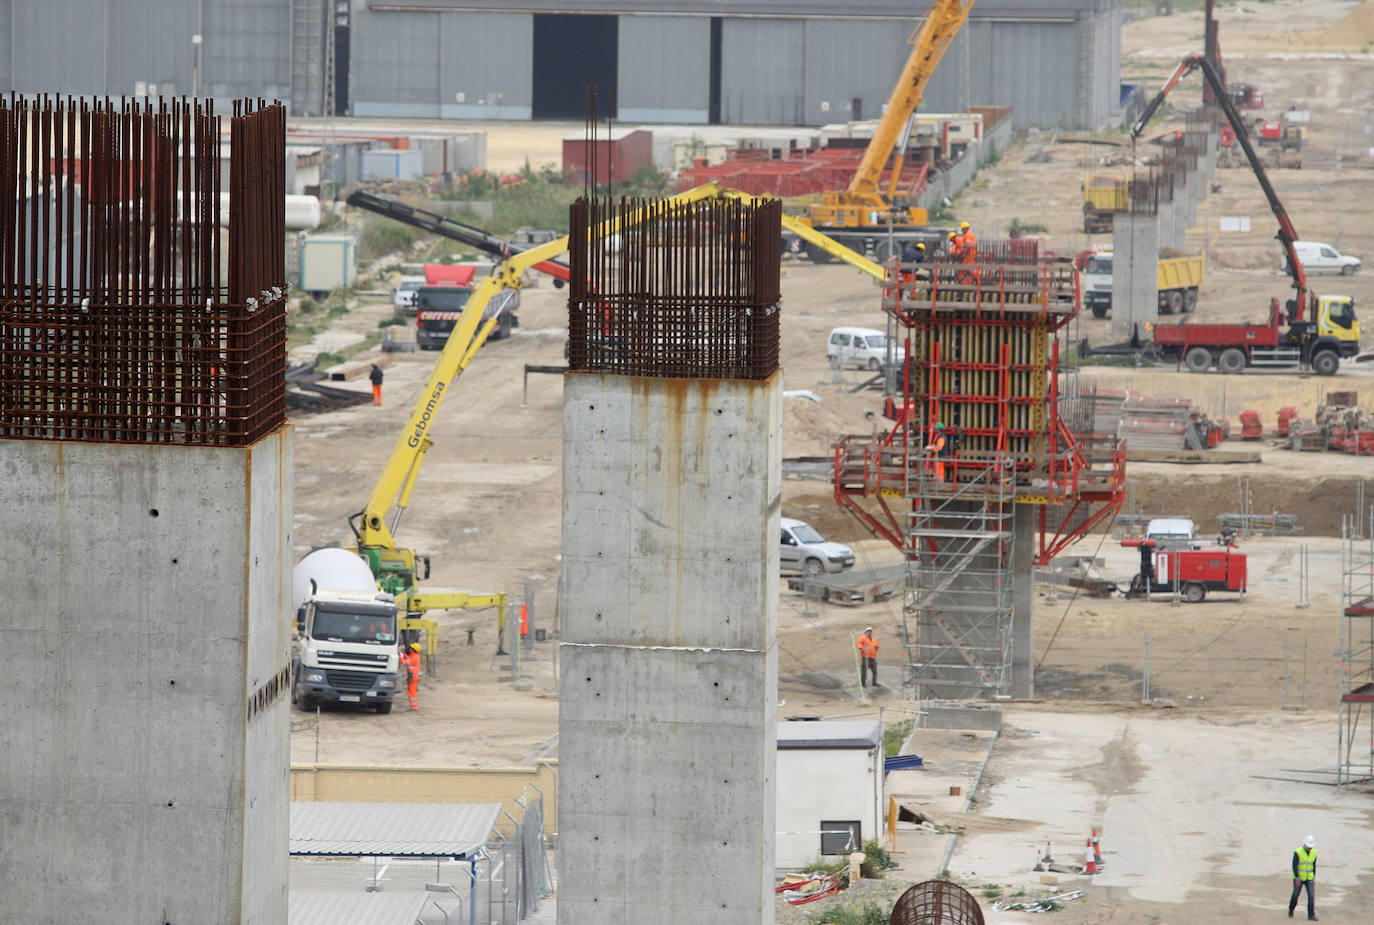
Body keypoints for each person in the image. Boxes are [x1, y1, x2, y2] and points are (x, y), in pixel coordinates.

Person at [1288, 835, 1318, 920]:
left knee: (1311, 896)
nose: (1310, 848)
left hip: (1309, 877)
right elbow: (1294, 865)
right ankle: (1291, 909)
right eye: (1308, 847)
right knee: (1295, 895)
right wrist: (1297, 877)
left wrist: (1313, 877)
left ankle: (1311, 915)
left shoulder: (1314, 853)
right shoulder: (1298, 852)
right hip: (1299, 878)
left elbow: (1313, 865)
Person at [402, 641, 421, 710]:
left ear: (414, 650)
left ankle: (413, 706)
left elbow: (405, 662)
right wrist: (403, 654)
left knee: (411, 691)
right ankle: (413, 706)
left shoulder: (415, 658)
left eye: (411, 648)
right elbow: (408, 658)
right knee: (412, 690)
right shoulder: (414, 656)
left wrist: (400, 656)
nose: (410, 649)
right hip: (413, 676)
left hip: (412, 676)